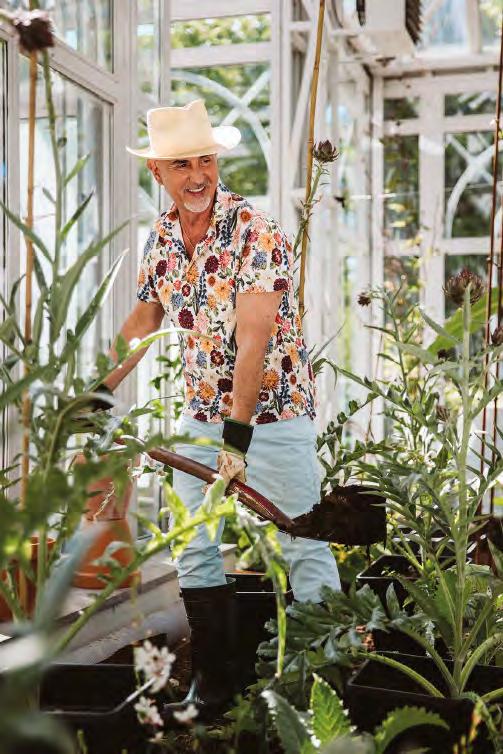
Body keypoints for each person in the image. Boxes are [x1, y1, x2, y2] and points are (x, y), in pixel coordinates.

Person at [103, 99, 340, 717]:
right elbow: (144, 322)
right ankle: (215, 681)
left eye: (205, 161)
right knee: (192, 542)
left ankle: (326, 682)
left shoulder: (255, 231)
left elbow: (254, 342)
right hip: (202, 414)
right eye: (182, 165)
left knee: (303, 541)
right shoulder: (162, 238)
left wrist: (237, 438)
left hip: (273, 416)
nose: (198, 176)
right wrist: (98, 391)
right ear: (157, 172)